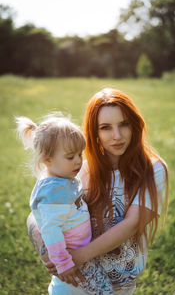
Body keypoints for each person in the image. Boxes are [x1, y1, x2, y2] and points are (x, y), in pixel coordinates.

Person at [27, 88, 168, 295]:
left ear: (134, 125)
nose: (117, 136)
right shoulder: (76, 165)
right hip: (71, 282)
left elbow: (132, 224)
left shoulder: (153, 169)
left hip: (118, 285)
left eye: (123, 124)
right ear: (94, 132)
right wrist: (47, 252)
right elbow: (37, 211)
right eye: (105, 127)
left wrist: (79, 256)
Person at [16, 113, 113, 295]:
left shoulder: (62, 180)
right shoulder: (53, 193)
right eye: (70, 157)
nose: (78, 161)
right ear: (47, 160)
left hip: (81, 251)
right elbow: (51, 230)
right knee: (102, 291)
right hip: (73, 258)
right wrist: (63, 263)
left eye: (79, 154)